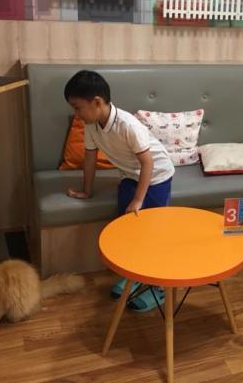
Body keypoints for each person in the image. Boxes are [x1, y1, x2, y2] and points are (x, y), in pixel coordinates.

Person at [64, 70, 175, 312]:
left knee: (151, 230)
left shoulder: (127, 125)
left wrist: (138, 200)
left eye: (78, 108)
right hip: (130, 176)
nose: (76, 114)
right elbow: (90, 158)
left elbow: (148, 163)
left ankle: (157, 288)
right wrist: (86, 191)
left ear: (97, 102)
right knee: (126, 227)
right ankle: (134, 275)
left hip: (156, 176)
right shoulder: (92, 125)